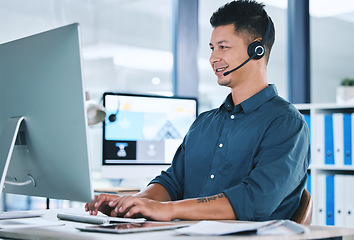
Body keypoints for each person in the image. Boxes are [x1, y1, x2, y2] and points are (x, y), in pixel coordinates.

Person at [85, 0, 310, 221]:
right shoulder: (204, 123)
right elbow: (172, 182)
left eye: (223, 47)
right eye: (212, 48)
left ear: (256, 49)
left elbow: (254, 200)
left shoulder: (286, 123)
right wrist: (134, 203)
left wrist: (170, 210)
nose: (213, 58)